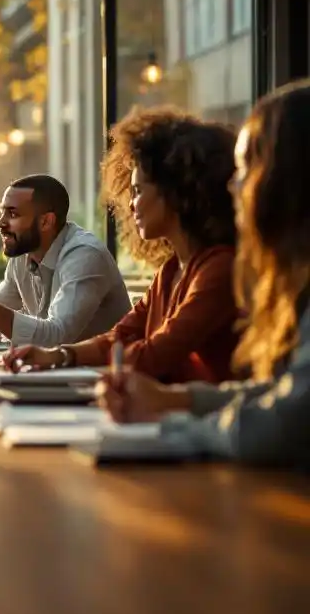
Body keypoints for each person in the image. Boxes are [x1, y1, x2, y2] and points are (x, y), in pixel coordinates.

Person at [98, 80, 310, 469]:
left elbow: (282, 423)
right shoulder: (290, 284)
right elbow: (281, 396)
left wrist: (173, 422)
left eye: (247, 168)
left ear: (287, 181)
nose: (233, 185)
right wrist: (175, 402)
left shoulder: (221, 267)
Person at [5, 109, 240, 384]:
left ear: (176, 193)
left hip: (206, 422)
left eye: (138, 191)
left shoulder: (220, 268)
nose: (130, 204)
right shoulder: (172, 270)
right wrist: (58, 356)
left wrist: (64, 357)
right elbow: (121, 336)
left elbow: (155, 355)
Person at [0, 174, 130, 347]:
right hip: (58, 377)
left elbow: (56, 337)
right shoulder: (23, 257)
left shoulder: (85, 255)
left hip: (107, 381)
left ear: (45, 221)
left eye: (12, 213)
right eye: (2, 212)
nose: (0, 223)